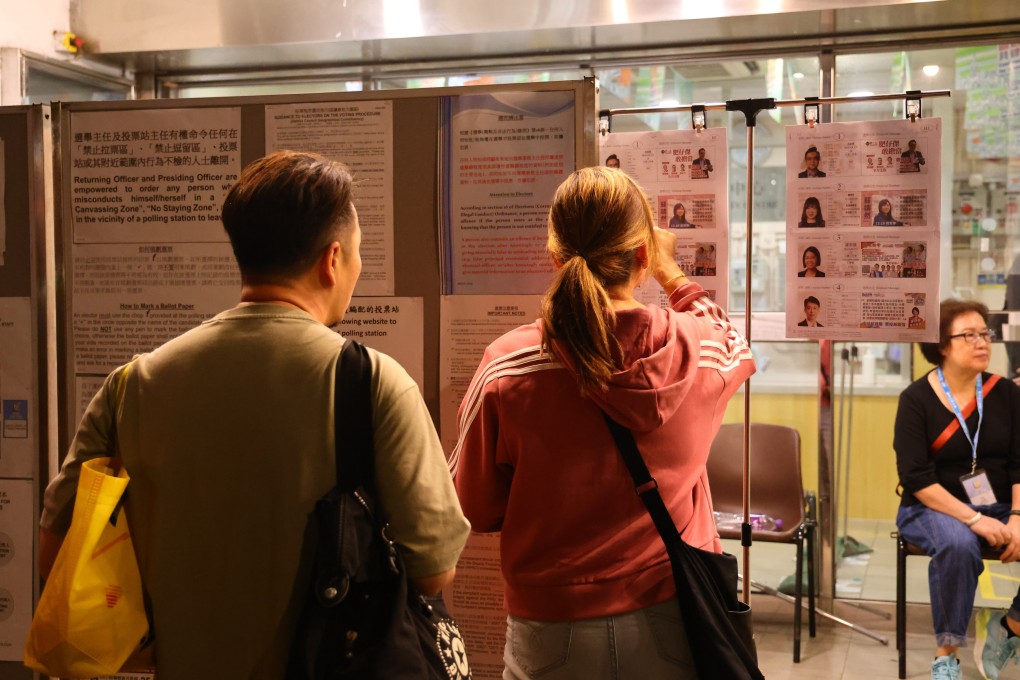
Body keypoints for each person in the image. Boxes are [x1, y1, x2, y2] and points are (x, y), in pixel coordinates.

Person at [37, 151, 471, 680]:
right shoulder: (373, 382)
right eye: (358, 254)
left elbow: (58, 552)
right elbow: (434, 570)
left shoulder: (133, 384)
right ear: (332, 260)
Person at [450, 166, 755, 679]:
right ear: (641, 256)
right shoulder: (698, 350)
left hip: (551, 624)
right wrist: (670, 272)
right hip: (672, 613)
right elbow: (734, 339)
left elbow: (471, 506)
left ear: (555, 258)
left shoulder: (508, 366)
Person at [894, 299, 1020, 680]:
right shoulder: (915, 400)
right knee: (958, 544)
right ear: (941, 346)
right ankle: (946, 655)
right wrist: (974, 519)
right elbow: (916, 478)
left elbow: (1018, 464)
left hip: (998, 505)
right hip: (931, 507)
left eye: (985, 333)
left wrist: (1016, 516)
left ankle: (1010, 627)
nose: (983, 342)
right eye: (969, 335)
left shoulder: (1006, 394)